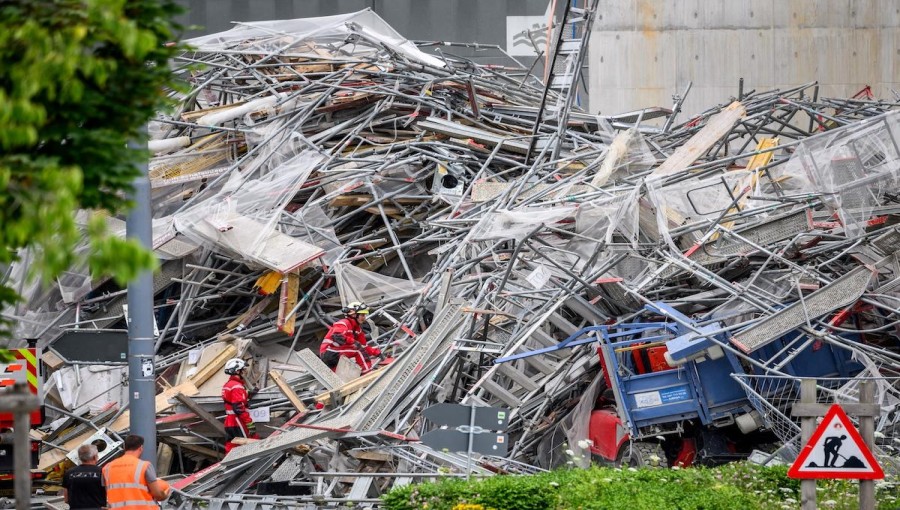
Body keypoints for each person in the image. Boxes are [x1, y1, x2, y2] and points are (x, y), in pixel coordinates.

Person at [101, 435, 169, 509]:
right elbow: (158, 495)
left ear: (124, 448)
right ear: (141, 448)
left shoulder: (107, 468)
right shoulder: (145, 465)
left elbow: (108, 494)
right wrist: (165, 494)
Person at [319, 301, 382, 373]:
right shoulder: (343, 323)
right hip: (328, 353)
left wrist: (377, 352)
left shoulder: (357, 329)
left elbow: (363, 346)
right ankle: (367, 372)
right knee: (358, 351)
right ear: (354, 315)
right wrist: (354, 342)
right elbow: (337, 337)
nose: (364, 318)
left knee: (340, 377)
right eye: (362, 315)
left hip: (336, 354)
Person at [221, 357, 258, 454]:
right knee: (248, 444)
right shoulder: (237, 387)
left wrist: (248, 394)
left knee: (232, 445)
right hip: (238, 421)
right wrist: (249, 424)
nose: (245, 372)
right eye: (243, 369)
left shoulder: (228, 385)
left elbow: (232, 399)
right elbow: (239, 407)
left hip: (230, 421)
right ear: (237, 371)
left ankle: (229, 465)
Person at [63, 444, 106, 510]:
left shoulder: (69, 473)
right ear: (94, 457)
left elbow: (66, 499)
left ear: (80, 457)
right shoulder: (103, 472)